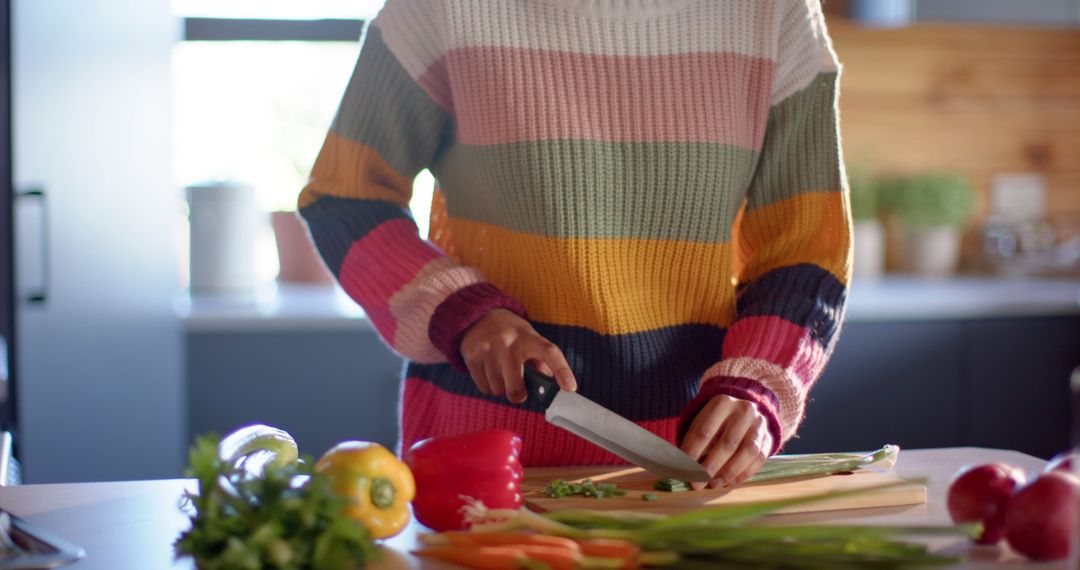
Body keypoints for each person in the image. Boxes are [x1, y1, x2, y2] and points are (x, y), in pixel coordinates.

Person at [298, 0, 851, 489]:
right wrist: (461, 312)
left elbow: (802, 253)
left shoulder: (773, 15)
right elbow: (346, 198)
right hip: (475, 466)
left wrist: (760, 382)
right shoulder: (441, 11)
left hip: (684, 470)